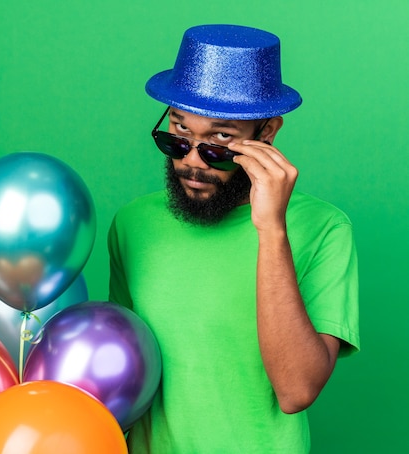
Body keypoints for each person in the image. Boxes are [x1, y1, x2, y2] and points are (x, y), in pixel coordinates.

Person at [108, 24, 360, 453]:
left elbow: (297, 390)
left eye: (220, 141)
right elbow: (120, 372)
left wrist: (272, 230)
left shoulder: (325, 229)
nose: (191, 161)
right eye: (179, 133)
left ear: (267, 135)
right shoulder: (134, 224)